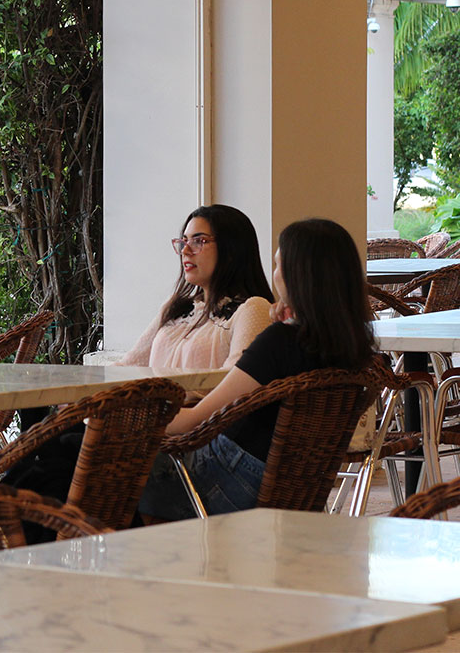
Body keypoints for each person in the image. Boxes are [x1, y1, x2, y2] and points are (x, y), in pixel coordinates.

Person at [137, 218, 377, 520]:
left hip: (227, 480)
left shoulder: (280, 342)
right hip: (294, 486)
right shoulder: (354, 348)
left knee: (102, 465)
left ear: (297, 275)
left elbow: (195, 421)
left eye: (278, 265)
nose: (274, 275)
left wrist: (129, 418)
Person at [119, 204, 274, 370]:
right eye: (184, 241)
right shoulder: (176, 308)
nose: (185, 250)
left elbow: (235, 381)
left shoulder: (253, 309)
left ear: (231, 250)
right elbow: (127, 366)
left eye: (199, 241)